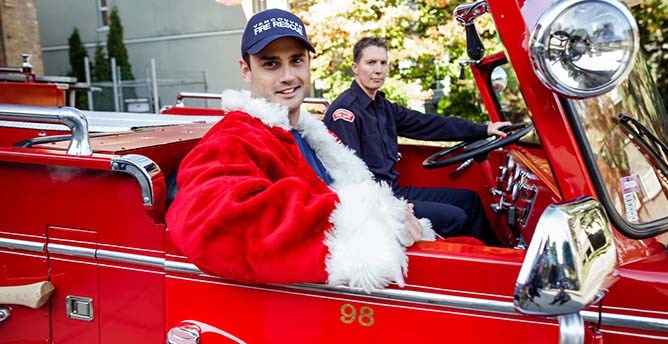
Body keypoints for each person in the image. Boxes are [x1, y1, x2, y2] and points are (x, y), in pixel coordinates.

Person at [166, 9, 435, 292]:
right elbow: (210, 221)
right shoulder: (233, 137)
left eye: (296, 61)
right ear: (246, 71)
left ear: (308, 63)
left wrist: (394, 213)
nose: (288, 76)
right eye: (271, 64)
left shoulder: (316, 135)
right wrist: (376, 216)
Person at [324, 37, 510, 245]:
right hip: (379, 204)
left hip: (396, 191)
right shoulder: (345, 112)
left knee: (470, 201)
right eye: (371, 63)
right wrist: (393, 208)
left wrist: (484, 129)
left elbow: (429, 124)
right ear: (355, 68)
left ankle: (501, 257)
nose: (378, 70)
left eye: (383, 63)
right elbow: (350, 177)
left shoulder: (383, 107)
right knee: (456, 217)